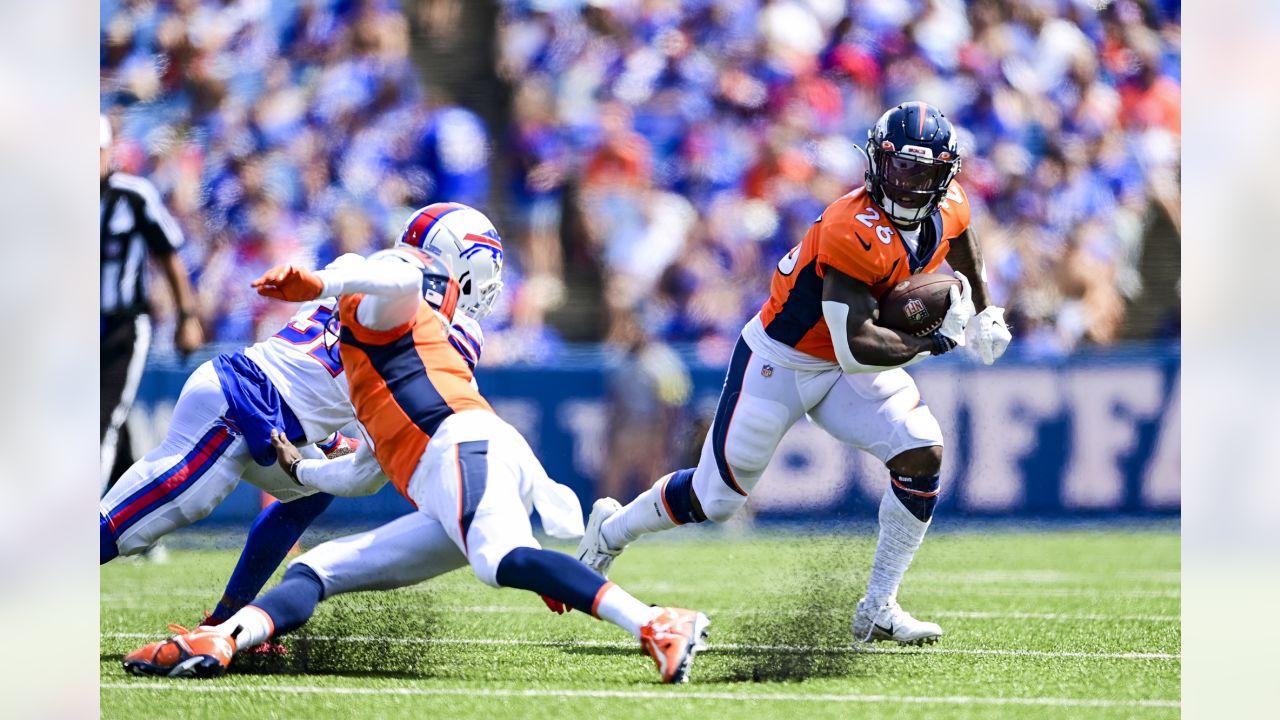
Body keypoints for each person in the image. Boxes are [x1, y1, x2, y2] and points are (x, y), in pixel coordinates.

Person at [123, 247, 711, 683]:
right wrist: (300, 472)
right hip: (449, 480)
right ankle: (222, 640)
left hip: (462, 453)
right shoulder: (358, 376)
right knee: (317, 571)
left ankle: (657, 622)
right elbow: (362, 472)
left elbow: (397, 275)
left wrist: (325, 280)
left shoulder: (394, 316)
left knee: (499, 561)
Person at [576, 102, 1013, 646]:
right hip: (782, 361)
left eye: (923, 172)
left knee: (922, 449)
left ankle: (879, 606)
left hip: (844, 364)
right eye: (899, 167)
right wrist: (940, 341)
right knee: (716, 499)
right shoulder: (849, 227)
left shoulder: (948, 204)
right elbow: (856, 345)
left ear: (944, 176)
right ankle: (611, 529)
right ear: (876, 163)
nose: (908, 183)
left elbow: (962, 240)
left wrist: (988, 309)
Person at [197, 202, 504, 627]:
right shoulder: (458, 327)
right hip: (322, 410)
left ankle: (227, 618)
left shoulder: (363, 270)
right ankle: (230, 619)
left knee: (314, 492)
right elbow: (387, 427)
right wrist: (314, 464)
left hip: (285, 391)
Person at [100, 114, 205, 495]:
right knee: (111, 419)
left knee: (100, 419)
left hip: (122, 325)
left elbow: (168, 256)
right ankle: (138, 511)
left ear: (107, 153)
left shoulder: (132, 195)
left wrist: (187, 316)